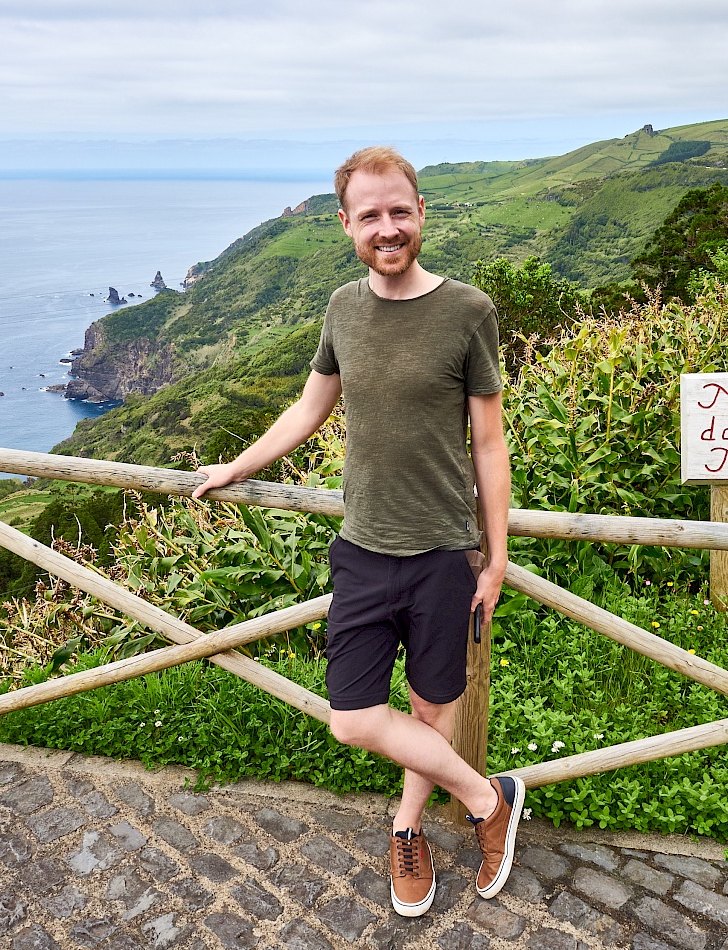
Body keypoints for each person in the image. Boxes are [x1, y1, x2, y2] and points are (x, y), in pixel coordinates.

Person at [192, 145, 522, 917]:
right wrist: (236, 466)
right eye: (369, 215)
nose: (387, 227)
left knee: (433, 706)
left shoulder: (469, 312)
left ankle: (406, 827)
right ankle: (489, 798)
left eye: (399, 211)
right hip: (365, 547)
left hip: (443, 550)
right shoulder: (343, 308)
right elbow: (311, 408)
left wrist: (497, 557)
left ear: (421, 213)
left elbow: (489, 443)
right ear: (345, 224)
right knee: (351, 718)